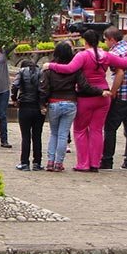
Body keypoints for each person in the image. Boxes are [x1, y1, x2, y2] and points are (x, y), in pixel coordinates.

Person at [47, 29, 127, 172]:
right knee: (97, 130)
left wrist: (51, 65)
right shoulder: (106, 55)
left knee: (80, 130)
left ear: (85, 41)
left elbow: (69, 69)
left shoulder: (82, 56)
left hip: (85, 96)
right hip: (103, 95)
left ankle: (83, 163)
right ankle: (95, 163)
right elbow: (125, 63)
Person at [39, 41, 106, 172]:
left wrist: (42, 103)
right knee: (63, 134)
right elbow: (84, 86)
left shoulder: (49, 69)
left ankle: (50, 162)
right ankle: (59, 163)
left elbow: (44, 88)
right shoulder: (75, 69)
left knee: (54, 134)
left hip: (54, 102)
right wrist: (100, 91)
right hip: (70, 102)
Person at [100, 27, 127, 170]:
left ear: (111, 39)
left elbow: (120, 74)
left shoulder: (115, 53)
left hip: (123, 94)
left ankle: (107, 159)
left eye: (105, 40)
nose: (105, 42)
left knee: (110, 127)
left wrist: (113, 91)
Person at [11, 60, 43, 170]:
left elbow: (14, 86)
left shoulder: (21, 72)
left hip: (24, 106)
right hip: (38, 107)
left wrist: (14, 99)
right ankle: (37, 163)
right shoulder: (41, 73)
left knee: (25, 136)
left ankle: (24, 162)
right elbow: (44, 89)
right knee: (37, 136)